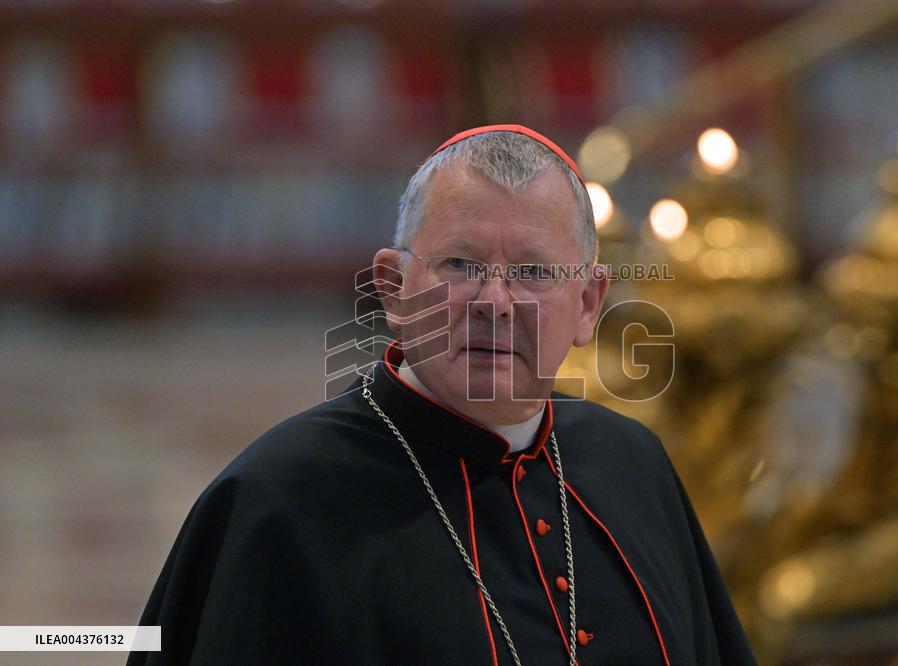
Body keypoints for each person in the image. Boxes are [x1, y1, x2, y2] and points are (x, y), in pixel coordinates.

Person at [128, 125, 757, 665]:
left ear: (589, 304)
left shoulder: (632, 465)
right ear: (394, 288)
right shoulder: (277, 502)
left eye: (534, 272)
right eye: (460, 264)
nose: (495, 303)